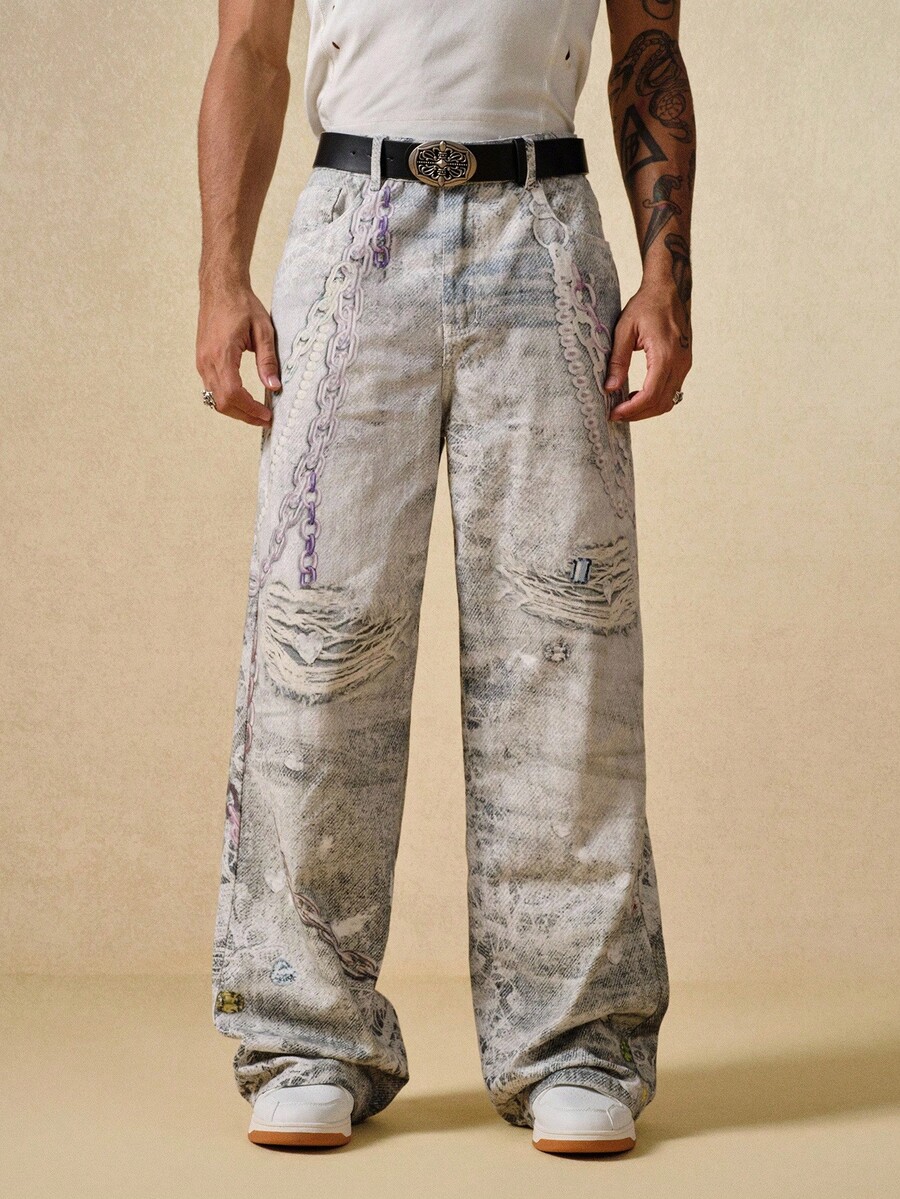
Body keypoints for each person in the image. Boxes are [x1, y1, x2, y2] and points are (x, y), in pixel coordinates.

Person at [196, 0, 694, 1156]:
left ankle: (577, 1043)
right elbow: (250, 50)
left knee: (568, 646)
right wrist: (221, 275)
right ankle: (306, 1034)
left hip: (544, 218)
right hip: (352, 221)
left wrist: (666, 275)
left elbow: (650, 53)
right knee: (319, 641)